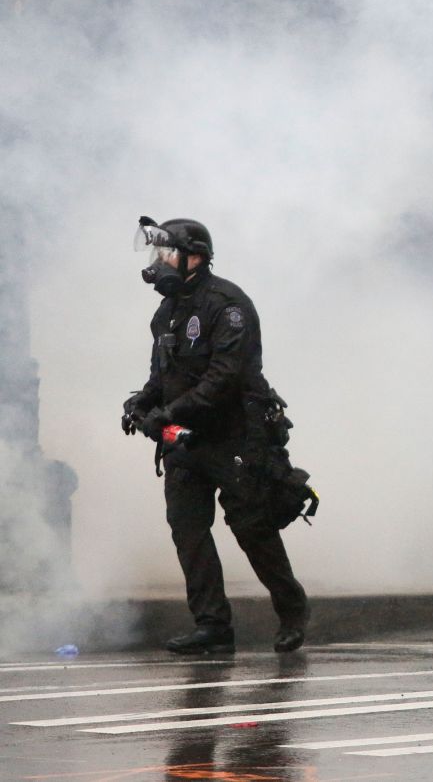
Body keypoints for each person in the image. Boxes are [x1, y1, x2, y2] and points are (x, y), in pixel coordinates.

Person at [122, 218, 308, 654]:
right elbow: (161, 377)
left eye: (168, 253)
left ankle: (291, 609)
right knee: (187, 528)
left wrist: (167, 413)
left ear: (196, 257)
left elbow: (223, 378)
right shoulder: (166, 313)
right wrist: (141, 405)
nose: (160, 262)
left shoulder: (228, 305)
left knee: (251, 528)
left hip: (235, 437)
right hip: (184, 440)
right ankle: (212, 625)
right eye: (159, 254)